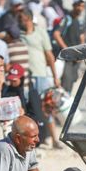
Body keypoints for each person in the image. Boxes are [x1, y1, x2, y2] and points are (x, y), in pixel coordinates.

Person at [18, 9, 61, 148]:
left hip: (41, 75)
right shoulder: (19, 35)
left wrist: (55, 77)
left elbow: (49, 55)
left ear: (29, 19)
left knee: (46, 107)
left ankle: (53, 138)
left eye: (23, 19)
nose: (21, 22)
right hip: (25, 78)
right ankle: (37, 139)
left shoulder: (41, 32)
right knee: (29, 109)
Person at [52, 0, 85, 92]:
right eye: (78, 6)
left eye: (82, 6)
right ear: (74, 6)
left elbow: (82, 37)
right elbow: (56, 34)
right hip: (67, 59)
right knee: (66, 85)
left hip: (76, 59)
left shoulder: (79, 21)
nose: (80, 8)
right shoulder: (67, 19)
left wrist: (82, 53)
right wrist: (67, 49)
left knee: (72, 83)